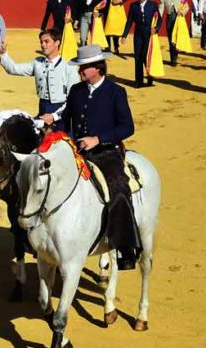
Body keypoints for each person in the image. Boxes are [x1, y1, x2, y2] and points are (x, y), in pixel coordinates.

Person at [61, 44, 140, 270]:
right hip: (77, 151)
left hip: (106, 153)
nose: (80, 71)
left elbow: (127, 127)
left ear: (97, 67)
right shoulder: (77, 91)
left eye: (84, 67)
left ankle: (125, 246)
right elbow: (66, 122)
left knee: (119, 190)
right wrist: (49, 125)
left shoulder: (116, 92)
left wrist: (98, 139)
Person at [0, 28, 80, 125]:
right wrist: (3, 53)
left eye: (46, 42)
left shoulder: (69, 67)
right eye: (41, 42)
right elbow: (13, 69)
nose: (43, 45)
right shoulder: (37, 63)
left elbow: (73, 99)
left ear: (57, 43)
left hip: (62, 116)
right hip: (42, 112)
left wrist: (54, 116)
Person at [121, 0, 162, 88]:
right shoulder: (133, 6)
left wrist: (156, 28)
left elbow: (159, 19)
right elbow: (129, 21)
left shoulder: (152, 5)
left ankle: (150, 76)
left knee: (145, 55)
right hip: (138, 33)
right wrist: (124, 35)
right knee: (138, 56)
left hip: (149, 33)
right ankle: (138, 81)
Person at [161, 0, 196, 65]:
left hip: (178, 18)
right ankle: (172, 58)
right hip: (169, 18)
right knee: (171, 39)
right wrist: (158, 19)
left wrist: (182, 12)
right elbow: (161, 7)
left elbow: (186, 6)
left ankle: (174, 59)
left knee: (176, 39)